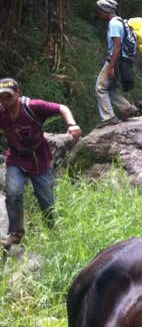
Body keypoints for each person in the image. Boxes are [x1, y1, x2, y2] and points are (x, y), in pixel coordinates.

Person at [0, 78, 82, 250]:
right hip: (16, 158)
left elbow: (62, 108)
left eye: (8, 96)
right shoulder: (1, 112)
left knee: (46, 202)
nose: (5, 101)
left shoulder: (33, 106)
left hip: (39, 159)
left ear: (18, 93)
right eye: (2, 97)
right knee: (13, 193)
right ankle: (15, 234)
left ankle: (54, 234)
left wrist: (72, 124)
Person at [95, 0, 138, 127]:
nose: (98, 13)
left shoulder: (113, 23)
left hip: (115, 60)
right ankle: (127, 108)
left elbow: (117, 46)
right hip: (123, 60)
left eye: (99, 11)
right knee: (111, 88)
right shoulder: (120, 21)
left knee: (100, 88)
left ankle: (108, 118)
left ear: (105, 10)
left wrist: (111, 66)